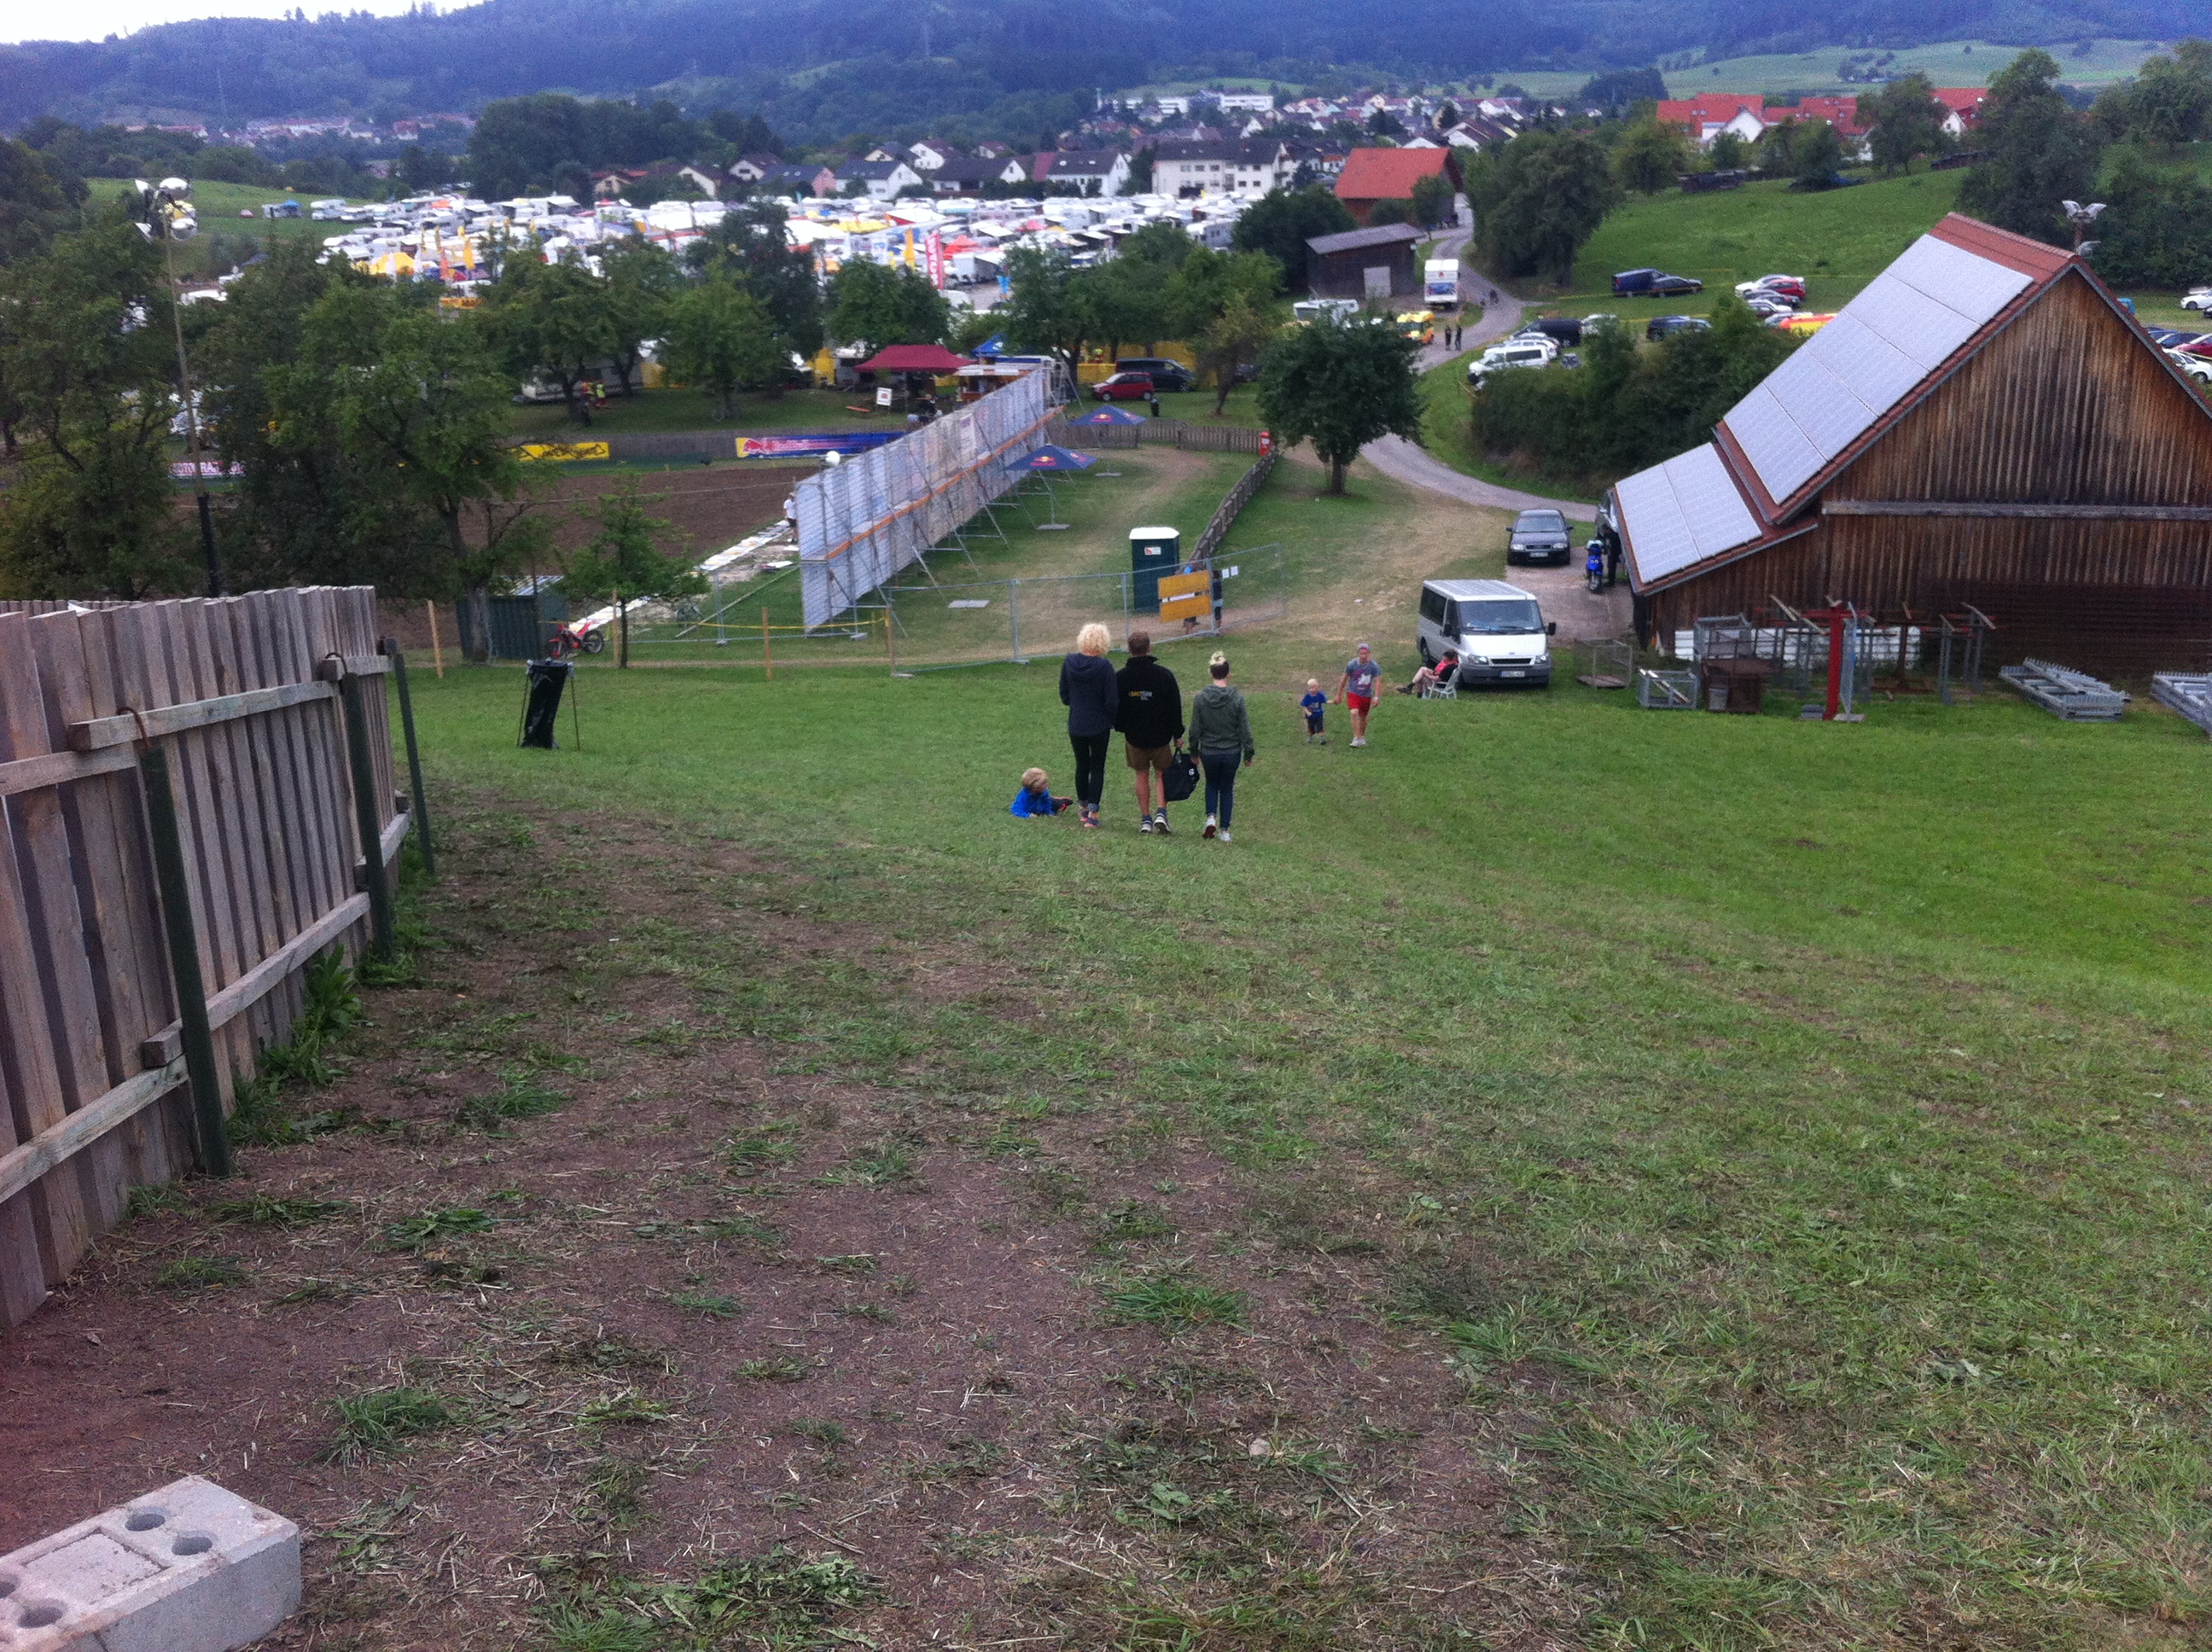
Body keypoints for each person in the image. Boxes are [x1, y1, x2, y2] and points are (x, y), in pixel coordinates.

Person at [1115, 630, 1183, 834]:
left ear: (1129, 649)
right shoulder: (1164, 675)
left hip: (1135, 737)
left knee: (1141, 774)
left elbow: (1116, 706)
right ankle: (1161, 812)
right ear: (1149, 648)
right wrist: (1177, 733)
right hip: (1161, 736)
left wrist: (1121, 726)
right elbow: (1174, 707)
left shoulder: (1121, 677)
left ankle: (1145, 819)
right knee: (1162, 774)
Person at [1188, 652, 1254, 842]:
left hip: (1209, 751)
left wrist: (1194, 750)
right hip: (1232, 751)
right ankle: (1225, 830)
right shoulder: (1237, 698)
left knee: (1211, 784)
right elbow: (1244, 728)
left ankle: (1211, 817)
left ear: (1211, 673)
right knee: (1226, 788)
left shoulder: (1201, 698)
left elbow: (1195, 728)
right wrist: (1248, 752)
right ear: (1229, 674)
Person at [1059, 621, 1118, 830]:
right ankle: (1094, 812)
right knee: (1097, 767)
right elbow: (1112, 701)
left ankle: (1083, 807)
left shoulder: (1069, 662)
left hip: (1076, 722)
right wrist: (1110, 717)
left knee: (1081, 765)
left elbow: (1064, 695)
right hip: (1099, 724)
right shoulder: (1104, 667)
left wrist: (1077, 704)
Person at [1337, 643, 1382, 747]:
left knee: (1363, 717)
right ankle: (1356, 738)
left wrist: (1376, 697)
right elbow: (1344, 679)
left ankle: (1361, 736)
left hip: (1366, 694)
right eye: (1361, 654)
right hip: (1353, 692)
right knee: (1354, 713)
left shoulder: (1374, 666)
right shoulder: (1352, 665)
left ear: (1369, 654)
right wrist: (1339, 694)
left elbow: (1378, 681)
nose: (1363, 656)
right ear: (1358, 653)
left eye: (1365, 654)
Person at [1009, 767, 1074, 817]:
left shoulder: (1044, 792)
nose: (1047, 785)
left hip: (1042, 806)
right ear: (1034, 788)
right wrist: (1028, 815)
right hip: (1037, 807)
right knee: (1052, 802)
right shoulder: (1024, 796)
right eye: (1043, 784)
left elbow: (1047, 803)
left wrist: (1049, 813)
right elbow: (1015, 810)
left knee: (1053, 803)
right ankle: (1056, 800)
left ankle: (1059, 801)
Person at [1395, 649, 1460, 695]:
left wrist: (1427, 675)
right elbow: (1439, 674)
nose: (1443, 658)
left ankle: (1416, 693)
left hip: (1440, 685)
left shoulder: (1448, 668)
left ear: (1448, 658)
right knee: (1423, 669)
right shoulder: (1454, 664)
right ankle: (1410, 688)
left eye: (1444, 656)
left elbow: (1437, 679)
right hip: (1444, 682)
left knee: (1422, 677)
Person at [1300, 678, 1329, 744]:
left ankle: (1322, 739)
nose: (1312, 690)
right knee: (1311, 728)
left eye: (1314, 688)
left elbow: (1326, 701)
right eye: (1310, 688)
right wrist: (1307, 712)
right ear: (1308, 689)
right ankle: (1310, 737)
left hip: (1319, 715)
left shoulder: (1320, 695)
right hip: (1311, 716)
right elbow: (1304, 705)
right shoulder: (1307, 696)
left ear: (1318, 687)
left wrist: (1333, 701)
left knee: (1320, 727)